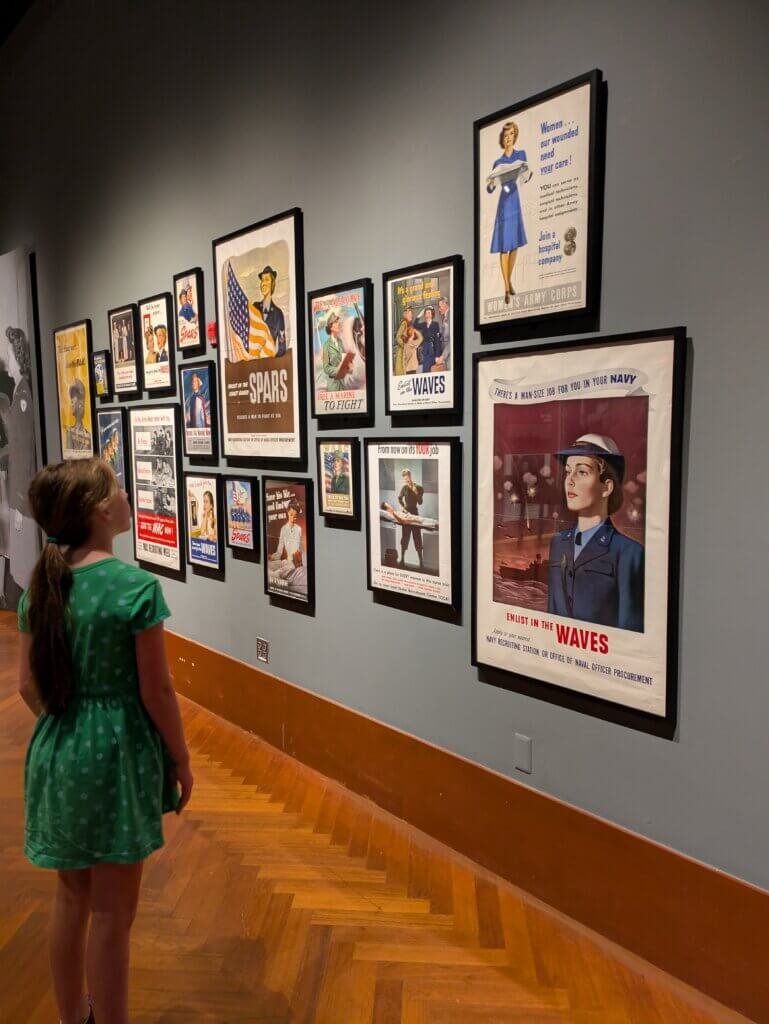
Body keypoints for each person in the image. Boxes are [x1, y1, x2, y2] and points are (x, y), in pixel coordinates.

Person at [16, 458, 193, 1024]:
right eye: (115, 487)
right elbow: (158, 691)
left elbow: (26, 686)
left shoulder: (43, 587)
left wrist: (71, 722)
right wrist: (181, 758)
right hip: (116, 758)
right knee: (115, 917)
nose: (123, 495)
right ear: (99, 510)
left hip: (59, 751)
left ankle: (75, 1018)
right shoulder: (134, 587)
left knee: (71, 901)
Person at [547, 434, 645, 632]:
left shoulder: (629, 554)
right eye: (568, 471)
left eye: (582, 472)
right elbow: (552, 615)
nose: (569, 481)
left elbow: (629, 634)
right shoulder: (558, 543)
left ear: (607, 487)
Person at [486, 119, 529, 303]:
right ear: (502, 139)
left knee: (515, 244)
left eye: (511, 134)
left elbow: (525, 177)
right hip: (504, 201)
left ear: (515, 136)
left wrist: (527, 172)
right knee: (505, 245)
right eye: (505, 135)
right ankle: (505, 286)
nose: (508, 138)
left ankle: (508, 280)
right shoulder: (498, 161)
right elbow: (491, 188)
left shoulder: (521, 154)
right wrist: (489, 184)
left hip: (515, 199)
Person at [255, 265, 287, 357]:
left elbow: (282, 347)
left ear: (272, 284)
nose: (263, 283)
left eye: (266, 279)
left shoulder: (278, 314)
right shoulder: (255, 308)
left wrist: (273, 363)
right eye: (262, 280)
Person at [397, 468, 424, 569]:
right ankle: (402, 560)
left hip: (415, 513)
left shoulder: (419, 487)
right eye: (405, 479)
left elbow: (420, 502)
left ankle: (421, 562)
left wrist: (416, 492)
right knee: (405, 537)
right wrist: (403, 507)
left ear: (410, 476)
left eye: (407, 478)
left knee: (417, 537)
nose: (406, 481)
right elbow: (399, 498)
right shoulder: (404, 488)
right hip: (406, 513)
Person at [321, 311, 354, 391]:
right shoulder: (326, 346)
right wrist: (338, 370)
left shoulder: (340, 343)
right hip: (333, 386)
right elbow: (326, 368)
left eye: (337, 322)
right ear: (331, 327)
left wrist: (349, 367)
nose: (338, 324)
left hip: (342, 385)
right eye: (335, 322)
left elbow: (343, 360)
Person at [65, 378, 92, 453]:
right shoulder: (69, 432)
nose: (71, 404)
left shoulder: (88, 435)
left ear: (80, 405)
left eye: (73, 401)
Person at [394, 307, 422, 376]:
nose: (411, 315)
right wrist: (405, 345)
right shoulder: (404, 323)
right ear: (406, 315)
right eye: (409, 314)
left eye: (411, 313)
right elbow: (398, 337)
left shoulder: (408, 324)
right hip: (402, 351)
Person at [414, 305, 442, 373]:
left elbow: (437, 341)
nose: (427, 314)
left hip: (433, 350)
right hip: (426, 350)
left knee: (433, 370)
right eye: (426, 313)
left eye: (429, 313)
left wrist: (437, 356)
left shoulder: (435, 324)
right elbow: (415, 325)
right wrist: (421, 312)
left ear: (432, 314)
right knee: (425, 370)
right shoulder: (423, 324)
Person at [437, 296, 451, 369]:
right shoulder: (445, 316)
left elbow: (452, 340)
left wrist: (443, 356)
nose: (439, 309)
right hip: (446, 354)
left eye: (440, 306)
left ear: (445, 304)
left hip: (450, 354)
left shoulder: (451, 316)